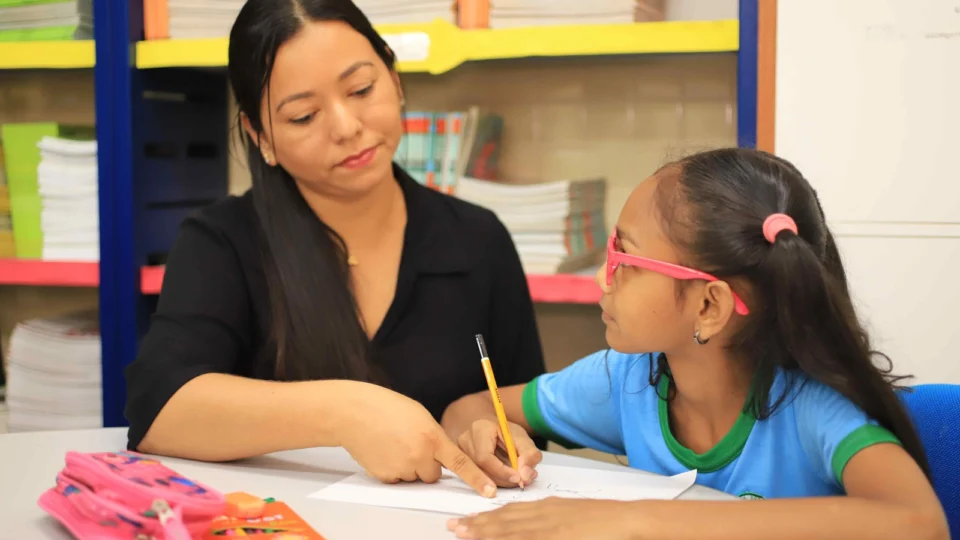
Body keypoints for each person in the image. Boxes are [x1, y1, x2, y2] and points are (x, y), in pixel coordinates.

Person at [123, 0, 545, 498]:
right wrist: (343, 412)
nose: (346, 127)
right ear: (261, 137)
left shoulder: (479, 239)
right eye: (304, 116)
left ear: (394, 75)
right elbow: (159, 410)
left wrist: (488, 429)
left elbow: (518, 405)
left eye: (362, 89)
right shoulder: (221, 241)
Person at [443, 148, 948, 539]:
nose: (603, 277)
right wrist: (488, 433)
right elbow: (466, 409)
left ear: (709, 306)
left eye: (626, 259)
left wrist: (638, 522)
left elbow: (918, 523)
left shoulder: (809, 407)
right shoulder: (630, 379)